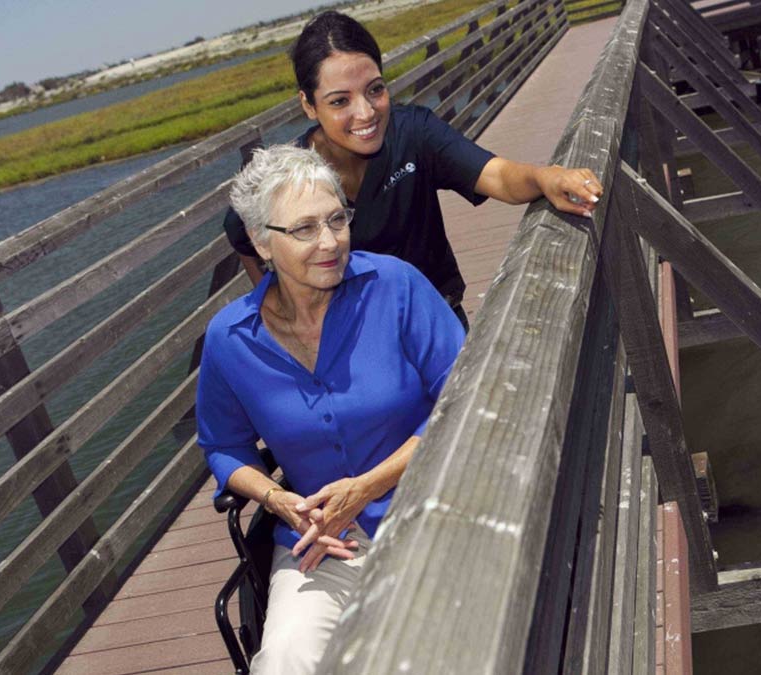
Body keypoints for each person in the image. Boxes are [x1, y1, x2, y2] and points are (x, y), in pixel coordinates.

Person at [197, 145, 465, 674]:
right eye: (304, 229)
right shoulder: (229, 338)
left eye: (337, 219)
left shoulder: (397, 285)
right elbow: (223, 446)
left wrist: (364, 487)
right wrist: (278, 500)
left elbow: (466, 397)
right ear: (260, 241)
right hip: (322, 541)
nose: (330, 242)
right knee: (283, 660)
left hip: (436, 510)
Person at [223, 10, 604, 328]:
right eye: (340, 101)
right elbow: (240, 230)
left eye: (375, 89)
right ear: (308, 105)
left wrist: (545, 177)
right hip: (352, 346)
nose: (366, 113)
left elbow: (498, 175)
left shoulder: (413, 133)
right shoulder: (288, 178)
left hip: (437, 318)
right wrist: (280, 309)